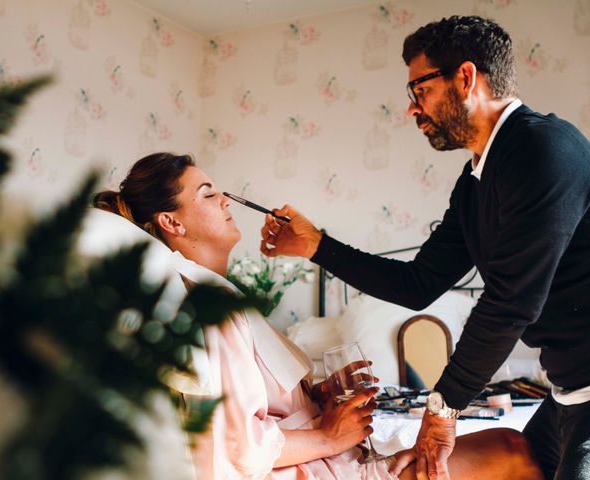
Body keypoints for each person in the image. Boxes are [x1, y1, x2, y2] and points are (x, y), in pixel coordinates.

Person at [260, 15, 590, 480]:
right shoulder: (475, 182)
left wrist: (442, 409)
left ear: (466, 77)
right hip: (566, 392)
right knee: (515, 459)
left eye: (420, 89)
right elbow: (418, 284)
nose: (413, 108)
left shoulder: (544, 149)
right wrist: (318, 247)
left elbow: (510, 302)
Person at [93, 152, 543, 479]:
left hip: (333, 456)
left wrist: (318, 394)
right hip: (318, 467)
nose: (227, 202)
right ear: (172, 223)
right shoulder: (210, 309)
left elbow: (257, 404)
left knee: (514, 444)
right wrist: (330, 435)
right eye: (209, 194)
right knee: (512, 447)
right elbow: (235, 444)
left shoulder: (224, 300)